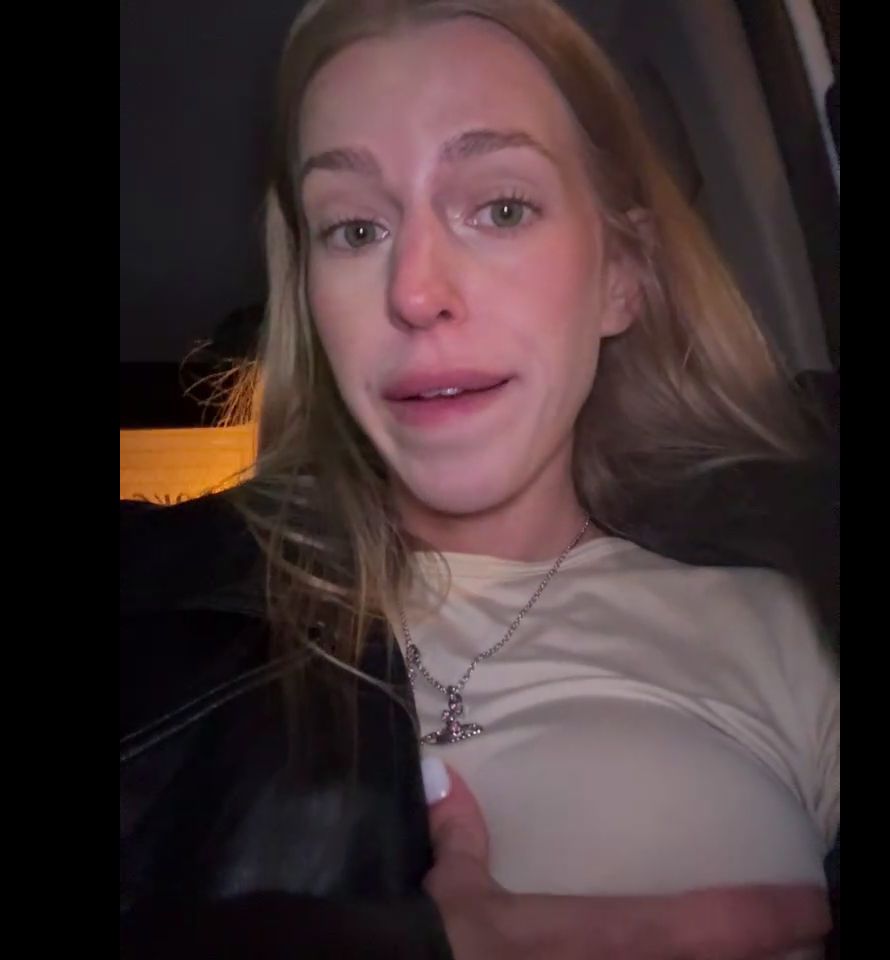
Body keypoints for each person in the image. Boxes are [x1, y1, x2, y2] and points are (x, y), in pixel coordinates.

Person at [120, 1, 840, 957]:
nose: (415, 292)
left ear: (621, 277)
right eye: (354, 229)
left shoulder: (791, 623)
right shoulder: (153, 608)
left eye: (502, 209)